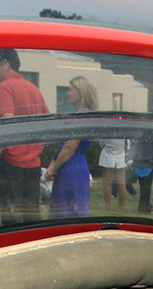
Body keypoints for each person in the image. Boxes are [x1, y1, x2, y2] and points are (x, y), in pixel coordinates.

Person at [0, 48, 49, 224]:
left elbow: (7, 122)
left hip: (11, 162)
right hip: (33, 164)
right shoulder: (32, 88)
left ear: (6, 65)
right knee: (31, 216)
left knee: (10, 218)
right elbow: (46, 121)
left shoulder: (5, 87)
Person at [46, 76, 96, 218]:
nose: (68, 93)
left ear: (81, 93)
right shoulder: (79, 115)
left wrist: (52, 168)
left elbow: (69, 147)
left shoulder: (83, 116)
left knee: (68, 212)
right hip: (71, 165)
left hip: (72, 166)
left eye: (71, 90)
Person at [97, 132, 129, 212]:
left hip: (108, 159)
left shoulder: (106, 134)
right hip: (121, 159)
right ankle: (122, 207)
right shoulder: (124, 134)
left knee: (107, 184)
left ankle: (108, 206)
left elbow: (101, 144)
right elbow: (128, 146)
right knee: (121, 184)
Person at [132, 138, 153, 214]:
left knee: (143, 187)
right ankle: (144, 206)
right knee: (146, 188)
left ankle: (145, 206)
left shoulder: (137, 138)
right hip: (149, 164)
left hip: (139, 164)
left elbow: (133, 149)